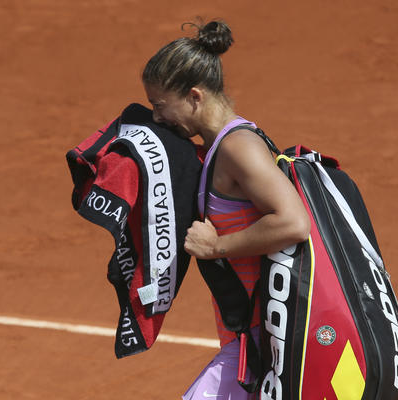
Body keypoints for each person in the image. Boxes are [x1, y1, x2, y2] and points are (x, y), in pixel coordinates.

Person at [142, 19, 311, 400]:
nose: (157, 117)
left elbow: (293, 222)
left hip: (264, 343)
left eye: (160, 105)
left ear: (194, 96)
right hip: (256, 344)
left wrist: (216, 246)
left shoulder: (238, 147)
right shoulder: (219, 147)